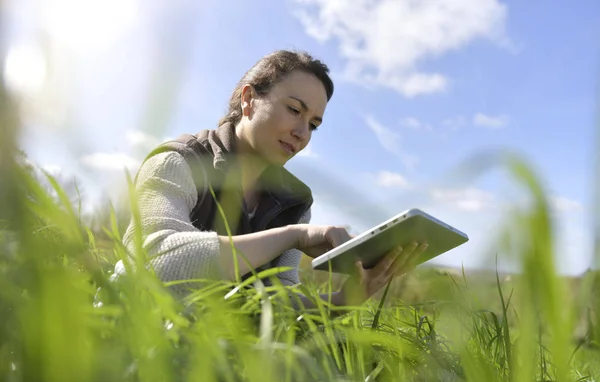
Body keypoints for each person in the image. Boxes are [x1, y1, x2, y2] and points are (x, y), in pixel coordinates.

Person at [116, 49, 428, 310]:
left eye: (313, 125)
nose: (302, 133)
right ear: (249, 99)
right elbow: (154, 263)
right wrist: (293, 236)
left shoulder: (293, 200)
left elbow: (276, 302)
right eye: (294, 109)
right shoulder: (177, 160)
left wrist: (345, 299)